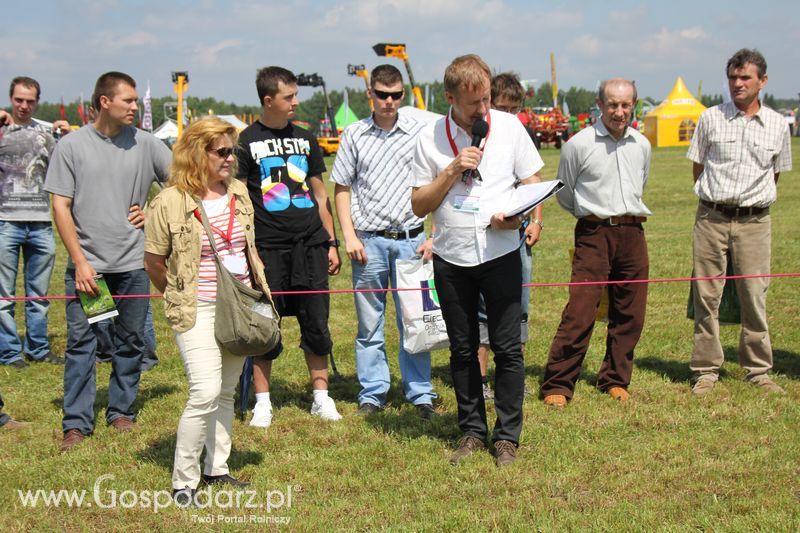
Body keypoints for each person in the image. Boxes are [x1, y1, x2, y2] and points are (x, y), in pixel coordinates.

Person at [411, 55, 544, 467]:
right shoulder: (429, 137)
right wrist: (451, 170)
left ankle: (507, 438)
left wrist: (523, 216)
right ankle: (471, 431)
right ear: (450, 98)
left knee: (507, 349)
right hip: (451, 257)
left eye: (487, 99)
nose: (484, 110)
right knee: (463, 349)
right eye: (474, 104)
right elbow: (419, 205)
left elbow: (532, 181)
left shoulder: (508, 127)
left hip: (501, 252)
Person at [45, 71, 171, 452]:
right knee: (83, 345)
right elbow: (60, 206)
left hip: (134, 266)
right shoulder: (72, 146)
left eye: (135, 100)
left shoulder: (147, 145)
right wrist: (80, 262)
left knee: (130, 341)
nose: (135, 107)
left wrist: (153, 212)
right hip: (91, 272)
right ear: (104, 102)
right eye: (128, 100)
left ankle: (121, 411)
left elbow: (181, 186)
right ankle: (77, 424)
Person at [145, 118, 264, 504]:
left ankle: (217, 469)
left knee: (226, 392)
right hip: (197, 308)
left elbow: (247, 249)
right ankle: (184, 481)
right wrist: (178, 294)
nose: (231, 159)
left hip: (241, 304)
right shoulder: (169, 201)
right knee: (205, 390)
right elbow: (153, 261)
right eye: (222, 152)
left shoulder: (240, 193)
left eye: (234, 151)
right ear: (198, 153)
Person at [237, 66, 342, 428]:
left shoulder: (306, 138)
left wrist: (331, 241)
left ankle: (321, 397)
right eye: (289, 97)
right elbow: (238, 198)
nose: (296, 102)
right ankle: (262, 402)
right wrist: (246, 251)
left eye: (296, 95)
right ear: (269, 101)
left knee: (317, 322)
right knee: (266, 325)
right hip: (268, 249)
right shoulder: (246, 141)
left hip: (310, 244)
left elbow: (319, 193)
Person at [331, 64, 436, 419]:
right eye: (382, 95)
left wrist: (432, 235)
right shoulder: (354, 135)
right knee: (369, 324)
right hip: (369, 243)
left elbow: (438, 184)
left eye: (395, 95)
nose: (388, 102)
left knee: (416, 321)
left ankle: (420, 393)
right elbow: (341, 188)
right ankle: (373, 392)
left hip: (412, 240)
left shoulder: (421, 133)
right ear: (370, 95)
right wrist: (348, 236)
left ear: (402, 96)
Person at [540, 78, 651, 408]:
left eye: (626, 104)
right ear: (600, 105)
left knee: (630, 312)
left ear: (634, 105)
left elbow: (641, 182)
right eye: (613, 104)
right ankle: (558, 383)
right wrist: (592, 216)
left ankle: (615, 379)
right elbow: (564, 190)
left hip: (633, 233)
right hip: (593, 233)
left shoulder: (642, 145)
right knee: (580, 310)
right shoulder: (578, 144)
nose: (619, 112)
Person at [687, 49, 792, 396]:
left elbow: (774, 175)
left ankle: (758, 370)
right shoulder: (710, 118)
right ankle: (705, 370)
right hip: (711, 217)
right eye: (733, 77)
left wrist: (748, 205)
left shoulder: (779, 125)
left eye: (745, 77)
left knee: (754, 295)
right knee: (706, 297)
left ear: (762, 81)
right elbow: (698, 166)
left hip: (755, 222)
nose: (738, 84)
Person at [477, 72, 544, 401]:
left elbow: (534, 180)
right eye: (503, 107)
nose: (510, 115)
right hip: (485, 236)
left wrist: (537, 222)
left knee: (519, 307)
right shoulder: (478, 133)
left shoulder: (522, 132)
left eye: (515, 108)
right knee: (482, 311)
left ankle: (512, 378)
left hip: (518, 236)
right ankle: (481, 380)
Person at [0, 77, 70, 369]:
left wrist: (66, 135)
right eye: (19, 100)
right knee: (4, 295)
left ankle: (37, 348)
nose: (24, 106)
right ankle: (9, 352)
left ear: (37, 101)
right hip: (5, 222)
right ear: (11, 99)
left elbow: (65, 165)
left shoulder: (45, 133)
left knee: (38, 294)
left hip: (41, 223)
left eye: (30, 101)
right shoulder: (1, 130)